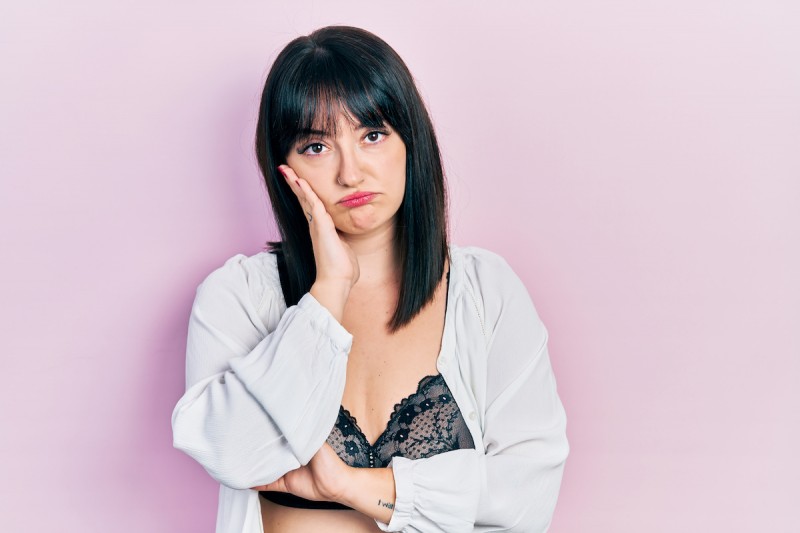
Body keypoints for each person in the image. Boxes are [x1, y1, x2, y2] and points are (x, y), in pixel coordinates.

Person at [171, 25, 569, 533]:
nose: (350, 173)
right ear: (283, 167)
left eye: (372, 135)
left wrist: (347, 485)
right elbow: (232, 452)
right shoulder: (240, 298)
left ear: (411, 141)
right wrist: (328, 294)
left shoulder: (485, 292)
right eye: (316, 146)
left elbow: (527, 495)